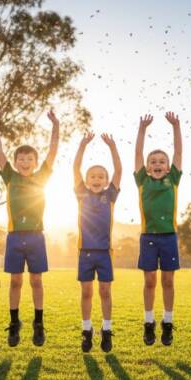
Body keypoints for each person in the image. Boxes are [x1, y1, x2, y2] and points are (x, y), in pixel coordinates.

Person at [0, 109, 59, 347]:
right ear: (16, 162)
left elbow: (53, 151)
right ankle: (14, 322)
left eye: (30, 159)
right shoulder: (10, 176)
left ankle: (38, 324)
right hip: (15, 238)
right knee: (16, 281)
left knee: (36, 281)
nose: (25, 162)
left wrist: (55, 126)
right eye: (21, 159)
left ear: (35, 163)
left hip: (37, 237)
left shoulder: (41, 177)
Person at [134, 111, 182, 346]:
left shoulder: (173, 178)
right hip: (148, 237)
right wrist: (142, 129)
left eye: (162, 161)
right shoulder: (142, 180)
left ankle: (168, 322)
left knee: (168, 282)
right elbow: (137, 154)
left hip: (169, 237)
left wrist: (176, 127)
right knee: (150, 281)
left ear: (168, 165)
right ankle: (148, 322)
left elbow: (179, 152)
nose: (157, 164)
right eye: (153, 161)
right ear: (146, 167)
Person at [73, 132, 122, 353]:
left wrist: (112, 147)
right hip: (85, 252)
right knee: (86, 293)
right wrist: (82, 146)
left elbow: (119, 170)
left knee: (104, 291)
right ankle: (86, 330)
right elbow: (75, 168)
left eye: (101, 176)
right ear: (86, 179)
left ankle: (107, 329)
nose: (96, 179)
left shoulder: (110, 194)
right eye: (92, 176)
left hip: (104, 252)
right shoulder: (81, 193)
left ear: (106, 180)